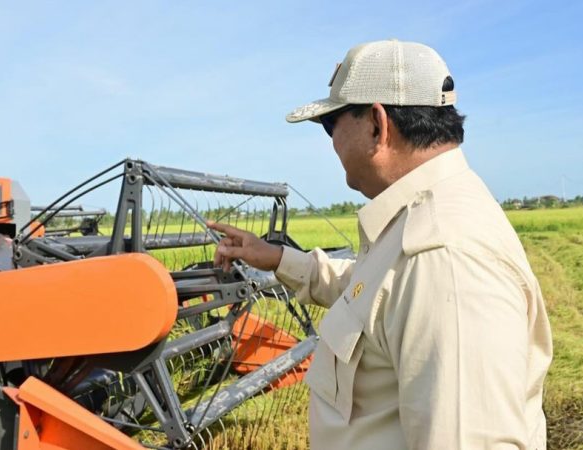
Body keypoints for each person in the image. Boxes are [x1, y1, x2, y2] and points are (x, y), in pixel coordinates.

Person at [208, 40, 552, 449]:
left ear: (377, 123)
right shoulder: (418, 222)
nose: (331, 141)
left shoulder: (445, 260)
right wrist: (278, 258)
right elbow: (372, 290)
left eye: (330, 123)